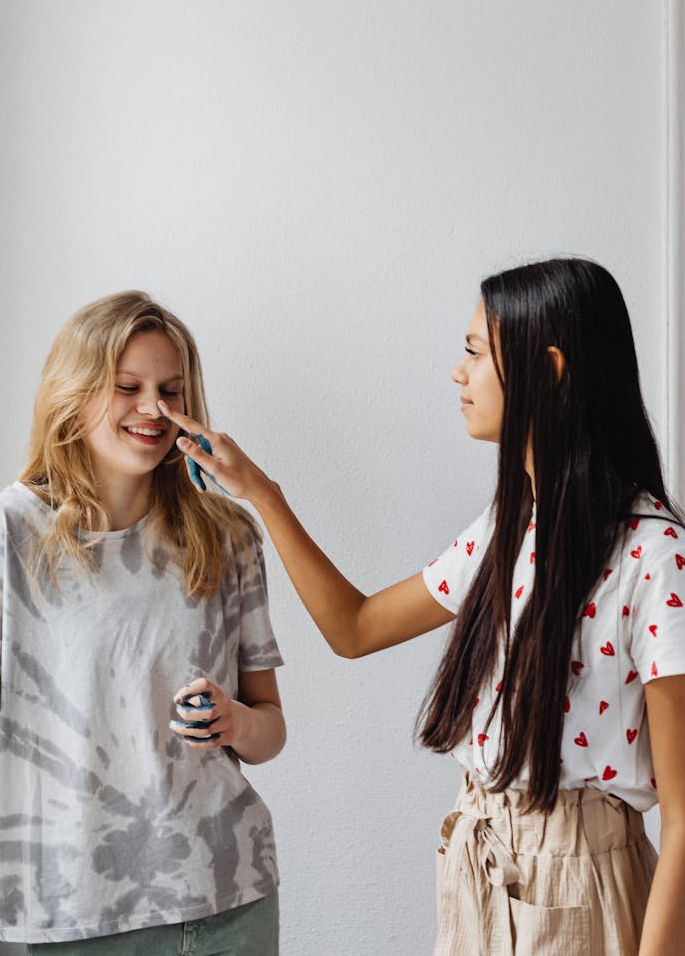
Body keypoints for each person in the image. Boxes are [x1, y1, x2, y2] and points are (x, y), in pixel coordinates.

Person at [159, 258, 685, 955]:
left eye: (474, 351)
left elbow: (683, 816)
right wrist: (259, 489)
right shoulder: (510, 525)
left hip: (580, 890)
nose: (457, 373)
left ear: (549, 369)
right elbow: (354, 627)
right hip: (480, 867)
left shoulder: (655, 554)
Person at [0, 291, 285, 955]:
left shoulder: (228, 536)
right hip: (73, 912)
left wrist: (235, 721)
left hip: (228, 899)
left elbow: (270, 726)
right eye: (128, 387)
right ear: (75, 394)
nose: (153, 408)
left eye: (171, 390)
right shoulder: (5, 535)